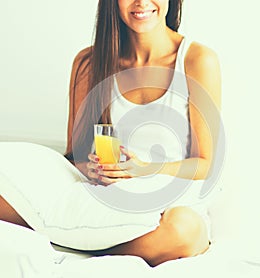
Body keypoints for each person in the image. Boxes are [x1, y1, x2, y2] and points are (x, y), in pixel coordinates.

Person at [0, 0, 221, 267]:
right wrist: (94, 168)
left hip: (164, 199)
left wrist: (144, 168)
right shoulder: (88, 63)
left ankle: (83, 251)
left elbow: (205, 165)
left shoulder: (197, 60)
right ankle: (89, 242)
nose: (141, 2)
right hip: (103, 198)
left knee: (187, 231)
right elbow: (75, 157)